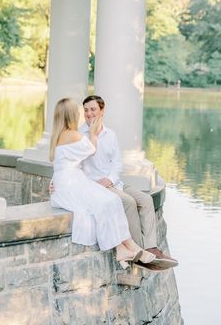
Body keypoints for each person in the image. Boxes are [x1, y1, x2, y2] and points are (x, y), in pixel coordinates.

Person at [51, 94, 177, 270]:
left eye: (93, 109)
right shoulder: (79, 134)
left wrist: (110, 179)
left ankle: (151, 248)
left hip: (114, 182)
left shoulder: (111, 135)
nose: (89, 114)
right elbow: (67, 162)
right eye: (86, 110)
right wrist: (56, 181)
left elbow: (117, 163)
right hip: (94, 185)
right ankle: (139, 254)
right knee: (128, 202)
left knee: (146, 200)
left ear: (102, 111)